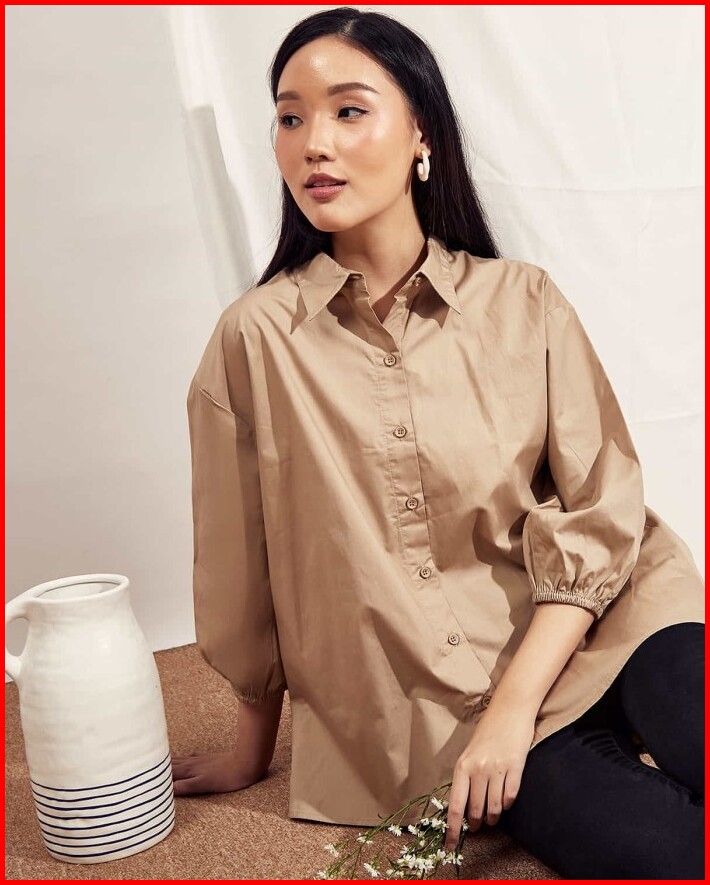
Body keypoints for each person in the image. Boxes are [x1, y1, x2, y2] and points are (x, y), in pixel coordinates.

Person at [172, 7, 705, 879]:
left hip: (614, 617)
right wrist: (249, 750)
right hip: (447, 706)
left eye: (348, 110)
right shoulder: (254, 341)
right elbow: (244, 574)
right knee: (667, 852)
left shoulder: (523, 300)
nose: (313, 143)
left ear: (421, 132)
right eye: (290, 117)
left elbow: (600, 508)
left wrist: (515, 708)